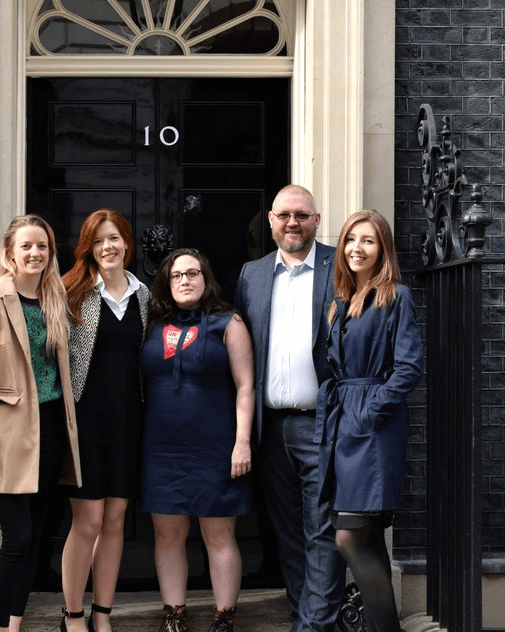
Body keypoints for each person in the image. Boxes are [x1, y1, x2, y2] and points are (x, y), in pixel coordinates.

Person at [0, 214, 82, 632]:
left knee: (36, 535)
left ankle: (14, 624)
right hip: (6, 434)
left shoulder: (55, 298)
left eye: (43, 246)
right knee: (17, 539)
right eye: (26, 246)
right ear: (9, 253)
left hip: (50, 430)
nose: (35, 253)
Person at [234, 185, 345, 632]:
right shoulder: (251, 274)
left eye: (302, 215)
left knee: (322, 533)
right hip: (271, 427)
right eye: (283, 216)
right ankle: (306, 619)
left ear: (317, 220)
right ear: (272, 222)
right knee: (288, 535)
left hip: (321, 424)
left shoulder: (339, 265)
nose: (292, 223)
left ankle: (312, 628)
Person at [317, 210, 423, 632]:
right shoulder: (341, 300)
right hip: (345, 426)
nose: (357, 248)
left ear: (383, 250)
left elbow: (410, 367)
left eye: (368, 241)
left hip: (371, 429)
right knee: (368, 538)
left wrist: (371, 408)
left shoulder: (394, 295)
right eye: (350, 240)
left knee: (348, 537)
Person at [140, 248, 254, 632]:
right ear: (166, 283)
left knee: (218, 533)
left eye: (192, 273)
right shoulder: (152, 323)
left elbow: (245, 386)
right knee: (168, 532)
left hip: (215, 447)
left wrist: (242, 442)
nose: (184, 281)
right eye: (176, 276)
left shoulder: (229, 322)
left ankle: (225, 617)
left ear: (206, 279)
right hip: (161, 447)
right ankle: (174, 614)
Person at [59, 210, 149, 632]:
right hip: (85, 425)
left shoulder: (144, 295)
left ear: (126, 243)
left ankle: (103, 614)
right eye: (98, 241)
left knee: (114, 521)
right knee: (88, 520)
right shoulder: (70, 291)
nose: (107, 247)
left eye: (113, 238)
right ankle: (73, 614)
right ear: (88, 249)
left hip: (128, 423)